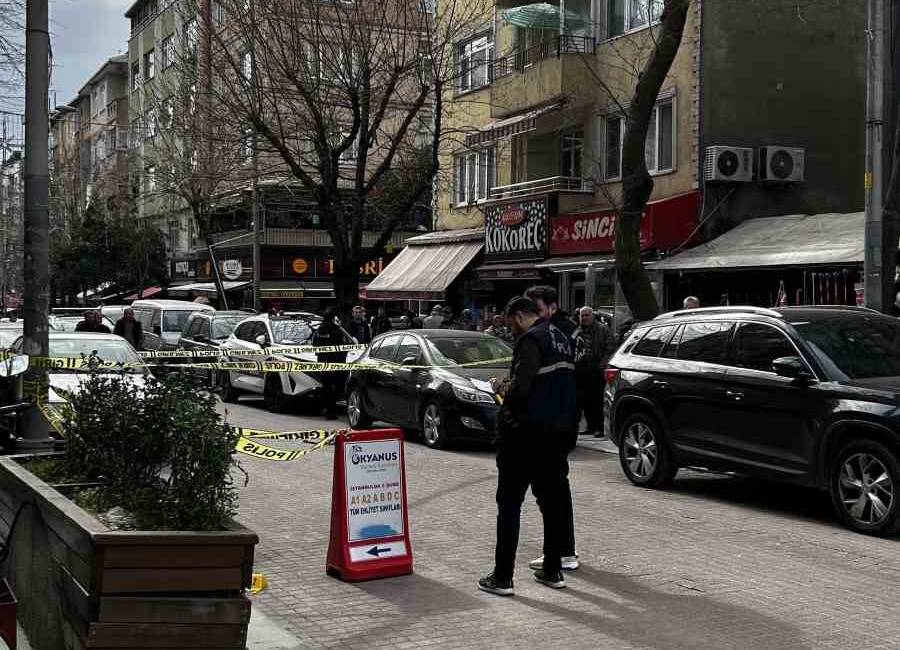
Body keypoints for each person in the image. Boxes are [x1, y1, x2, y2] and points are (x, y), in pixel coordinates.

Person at [479, 296, 577, 597]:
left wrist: (501, 388)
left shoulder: (531, 339)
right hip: (559, 433)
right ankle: (552, 570)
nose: (511, 329)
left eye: (511, 323)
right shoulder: (561, 337)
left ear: (520, 316)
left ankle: (502, 576)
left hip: (524, 436)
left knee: (509, 504)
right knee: (551, 503)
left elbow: (522, 388)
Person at [573, 306, 611, 438]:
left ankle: (599, 428)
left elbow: (609, 348)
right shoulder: (577, 330)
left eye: (586, 315)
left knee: (596, 400)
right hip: (582, 369)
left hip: (597, 368)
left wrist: (602, 364)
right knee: (585, 400)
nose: (584, 318)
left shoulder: (602, 329)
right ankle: (590, 426)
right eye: (582, 316)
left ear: (592, 315)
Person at [313, 308, 350, 420]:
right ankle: (331, 411)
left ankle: (325, 408)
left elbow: (315, 344)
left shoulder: (319, 330)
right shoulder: (337, 330)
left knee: (326, 386)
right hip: (335, 363)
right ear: (334, 317)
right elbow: (343, 347)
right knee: (334, 387)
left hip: (323, 362)